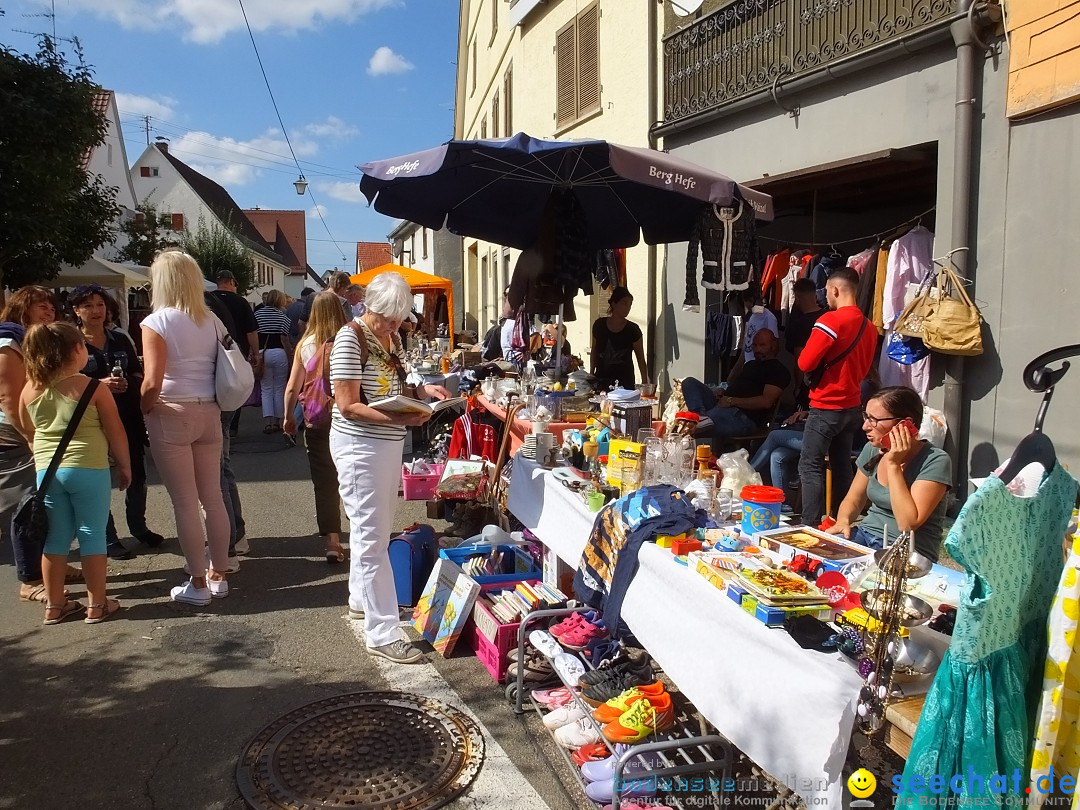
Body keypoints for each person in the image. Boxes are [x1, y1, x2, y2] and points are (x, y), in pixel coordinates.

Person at [329, 271, 450, 664]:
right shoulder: (351, 338)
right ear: (367, 305)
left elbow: (394, 385)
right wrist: (401, 418)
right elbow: (347, 404)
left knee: (372, 529)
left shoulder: (390, 337)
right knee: (371, 536)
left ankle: (361, 601)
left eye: (399, 319)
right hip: (359, 445)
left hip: (381, 446)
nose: (394, 326)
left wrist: (420, 394)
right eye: (388, 318)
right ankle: (381, 631)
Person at [17, 322, 130, 624]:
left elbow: (28, 429)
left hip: (48, 473)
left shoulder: (29, 389)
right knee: (92, 534)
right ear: (77, 350)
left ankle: (54, 606)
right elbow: (115, 431)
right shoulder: (93, 387)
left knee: (56, 537)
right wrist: (125, 465)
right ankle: (97, 604)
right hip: (88, 468)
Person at [141, 251, 232, 606]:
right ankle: (218, 575)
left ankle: (196, 582)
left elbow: (152, 382)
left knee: (184, 503)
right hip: (209, 410)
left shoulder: (156, 322)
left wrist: (144, 410)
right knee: (213, 496)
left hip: (170, 411)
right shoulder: (210, 319)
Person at [0, 286, 83, 603]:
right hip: (17, 436)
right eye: (40, 305)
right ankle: (30, 578)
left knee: (48, 503)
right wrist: (33, 439)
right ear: (22, 308)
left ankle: (52, 565)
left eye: (51, 305)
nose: (49, 310)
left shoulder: (34, 342)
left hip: (40, 431)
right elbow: (9, 397)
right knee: (27, 507)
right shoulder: (9, 341)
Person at [70, 284, 165, 559]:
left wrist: (131, 382)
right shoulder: (71, 343)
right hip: (90, 422)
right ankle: (109, 538)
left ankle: (139, 527)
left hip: (126, 417)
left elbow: (138, 372)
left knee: (136, 475)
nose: (96, 311)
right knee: (98, 481)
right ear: (76, 311)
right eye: (88, 306)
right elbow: (64, 384)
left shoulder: (120, 339)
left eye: (99, 305)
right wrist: (99, 384)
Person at [828, 386, 951, 561]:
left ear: (904, 424)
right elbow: (853, 499)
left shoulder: (936, 460)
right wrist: (843, 521)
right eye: (866, 417)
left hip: (909, 551)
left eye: (874, 419)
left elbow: (907, 524)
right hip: (865, 535)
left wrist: (893, 465)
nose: (865, 426)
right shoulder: (872, 449)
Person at [796, 266, 877, 525]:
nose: (825, 297)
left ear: (835, 290)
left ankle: (809, 526)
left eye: (827, 292)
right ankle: (840, 522)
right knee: (842, 466)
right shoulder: (869, 327)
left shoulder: (830, 321)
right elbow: (865, 370)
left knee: (810, 466)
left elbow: (805, 363)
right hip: (852, 407)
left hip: (825, 406)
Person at [282, 291, 349, 562]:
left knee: (324, 480)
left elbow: (291, 388)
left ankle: (332, 541)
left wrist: (288, 417)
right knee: (351, 477)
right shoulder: (351, 339)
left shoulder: (305, 344)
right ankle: (362, 533)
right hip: (349, 417)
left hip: (318, 418)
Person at [681, 329, 791, 452]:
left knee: (690, 426)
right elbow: (735, 383)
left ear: (773, 346)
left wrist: (731, 401)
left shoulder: (778, 370)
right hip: (723, 404)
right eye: (754, 345)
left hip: (744, 416)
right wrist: (723, 391)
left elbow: (766, 402)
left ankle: (697, 424)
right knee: (689, 382)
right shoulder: (750, 365)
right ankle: (700, 416)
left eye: (762, 345)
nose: (757, 349)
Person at [212, 270, 261, 438]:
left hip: (211, 350)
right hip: (236, 352)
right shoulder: (241, 302)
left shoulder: (208, 299)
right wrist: (256, 353)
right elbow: (251, 331)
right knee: (235, 386)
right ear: (232, 282)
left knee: (214, 386)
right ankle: (231, 427)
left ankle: (214, 424)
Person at [590, 287, 647, 390]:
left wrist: (644, 383)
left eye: (630, 304)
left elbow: (640, 358)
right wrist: (591, 373)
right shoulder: (599, 325)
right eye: (624, 303)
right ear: (614, 304)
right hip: (602, 378)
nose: (628, 307)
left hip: (625, 381)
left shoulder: (633, 329)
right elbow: (594, 350)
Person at [254, 289, 293, 434]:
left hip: (263, 353)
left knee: (266, 388)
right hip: (279, 352)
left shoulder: (257, 315)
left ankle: (268, 422)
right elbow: (285, 338)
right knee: (279, 388)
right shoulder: (283, 316)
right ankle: (278, 420)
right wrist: (290, 356)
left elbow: (254, 334)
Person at [785, 277, 826, 363]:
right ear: (815, 296)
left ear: (797, 298)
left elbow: (799, 360)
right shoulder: (828, 317)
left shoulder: (800, 325)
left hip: (810, 372)